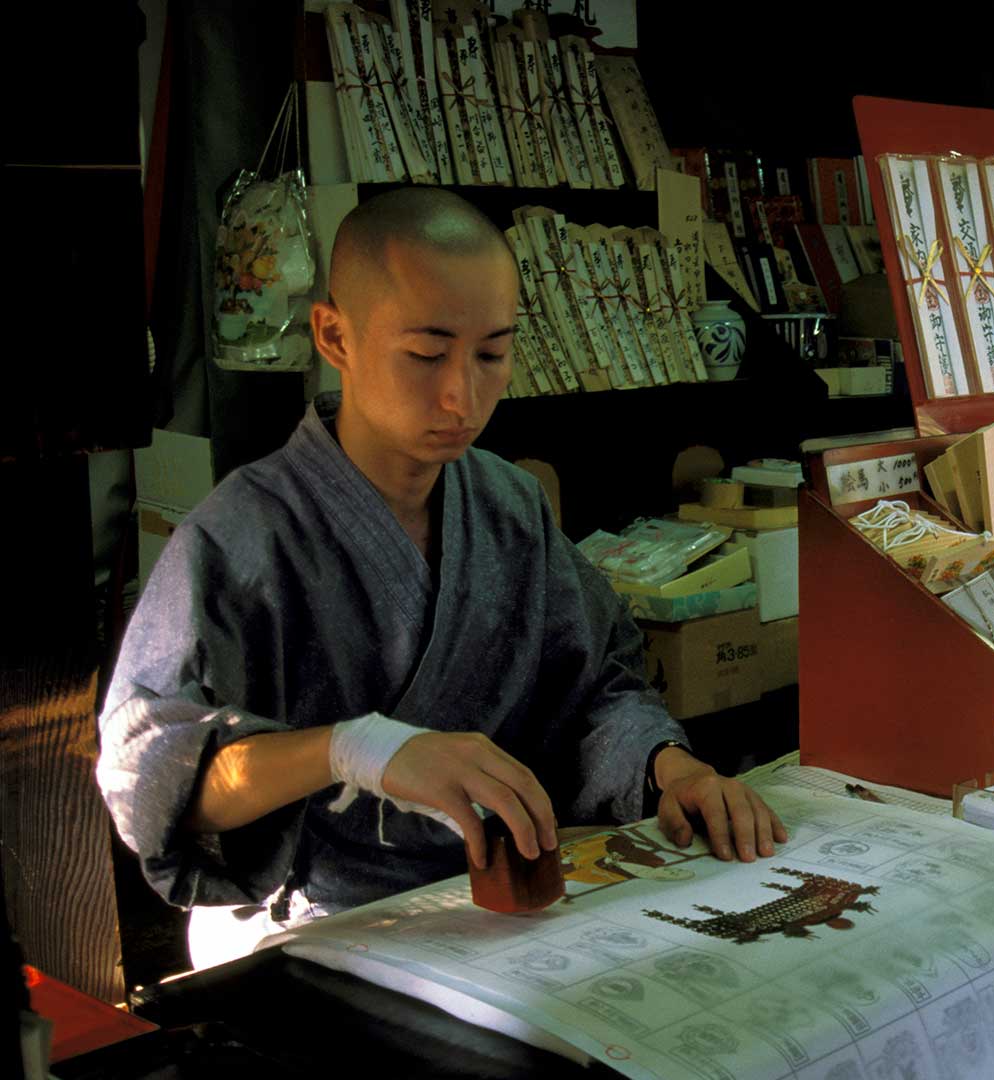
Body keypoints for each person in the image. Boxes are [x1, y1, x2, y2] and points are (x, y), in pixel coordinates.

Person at [98, 187, 785, 967]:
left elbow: (593, 688)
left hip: (489, 900)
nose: (463, 394)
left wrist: (675, 770)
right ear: (334, 335)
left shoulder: (510, 507)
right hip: (314, 930)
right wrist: (352, 750)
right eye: (427, 354)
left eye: (492, 353)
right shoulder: (243, 536)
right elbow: (153, 775)